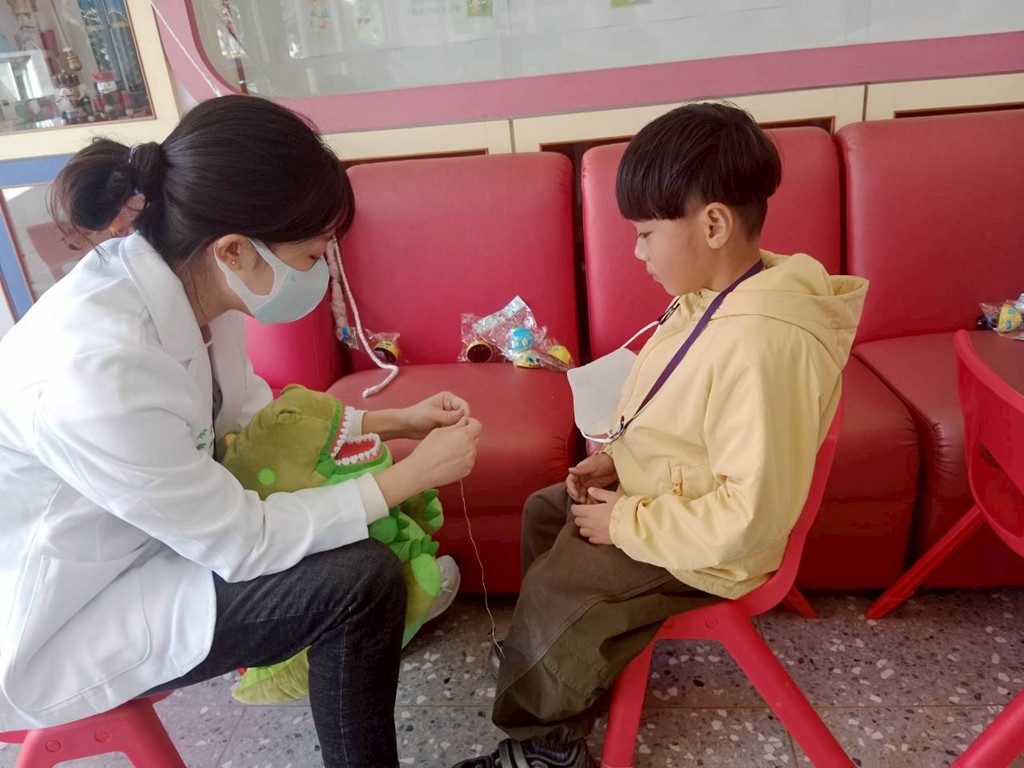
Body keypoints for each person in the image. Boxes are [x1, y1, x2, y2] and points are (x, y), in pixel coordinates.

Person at [0, 95, 481, 768]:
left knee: (361, 550)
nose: (320, 274)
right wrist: (411, 475)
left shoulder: (197, 287)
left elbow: (260, 425)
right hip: (74, 615)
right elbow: (242, 542)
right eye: (312, 256)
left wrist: (394, 420)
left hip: (158, 538)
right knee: (361, 582)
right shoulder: (99, 371)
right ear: (233, 250)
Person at [453, 103, 867, 768]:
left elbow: (749, 517)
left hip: (707, 549)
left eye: (646, 233)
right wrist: (617, 460)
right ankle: (552, 656)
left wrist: (625, 522)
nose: (637, 251)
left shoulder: (762, 346)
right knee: (544, 513)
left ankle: (547, 745)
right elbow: (679, 416)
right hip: (666, 502)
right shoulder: (716, 293)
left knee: (565, 587)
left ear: (713, 225)